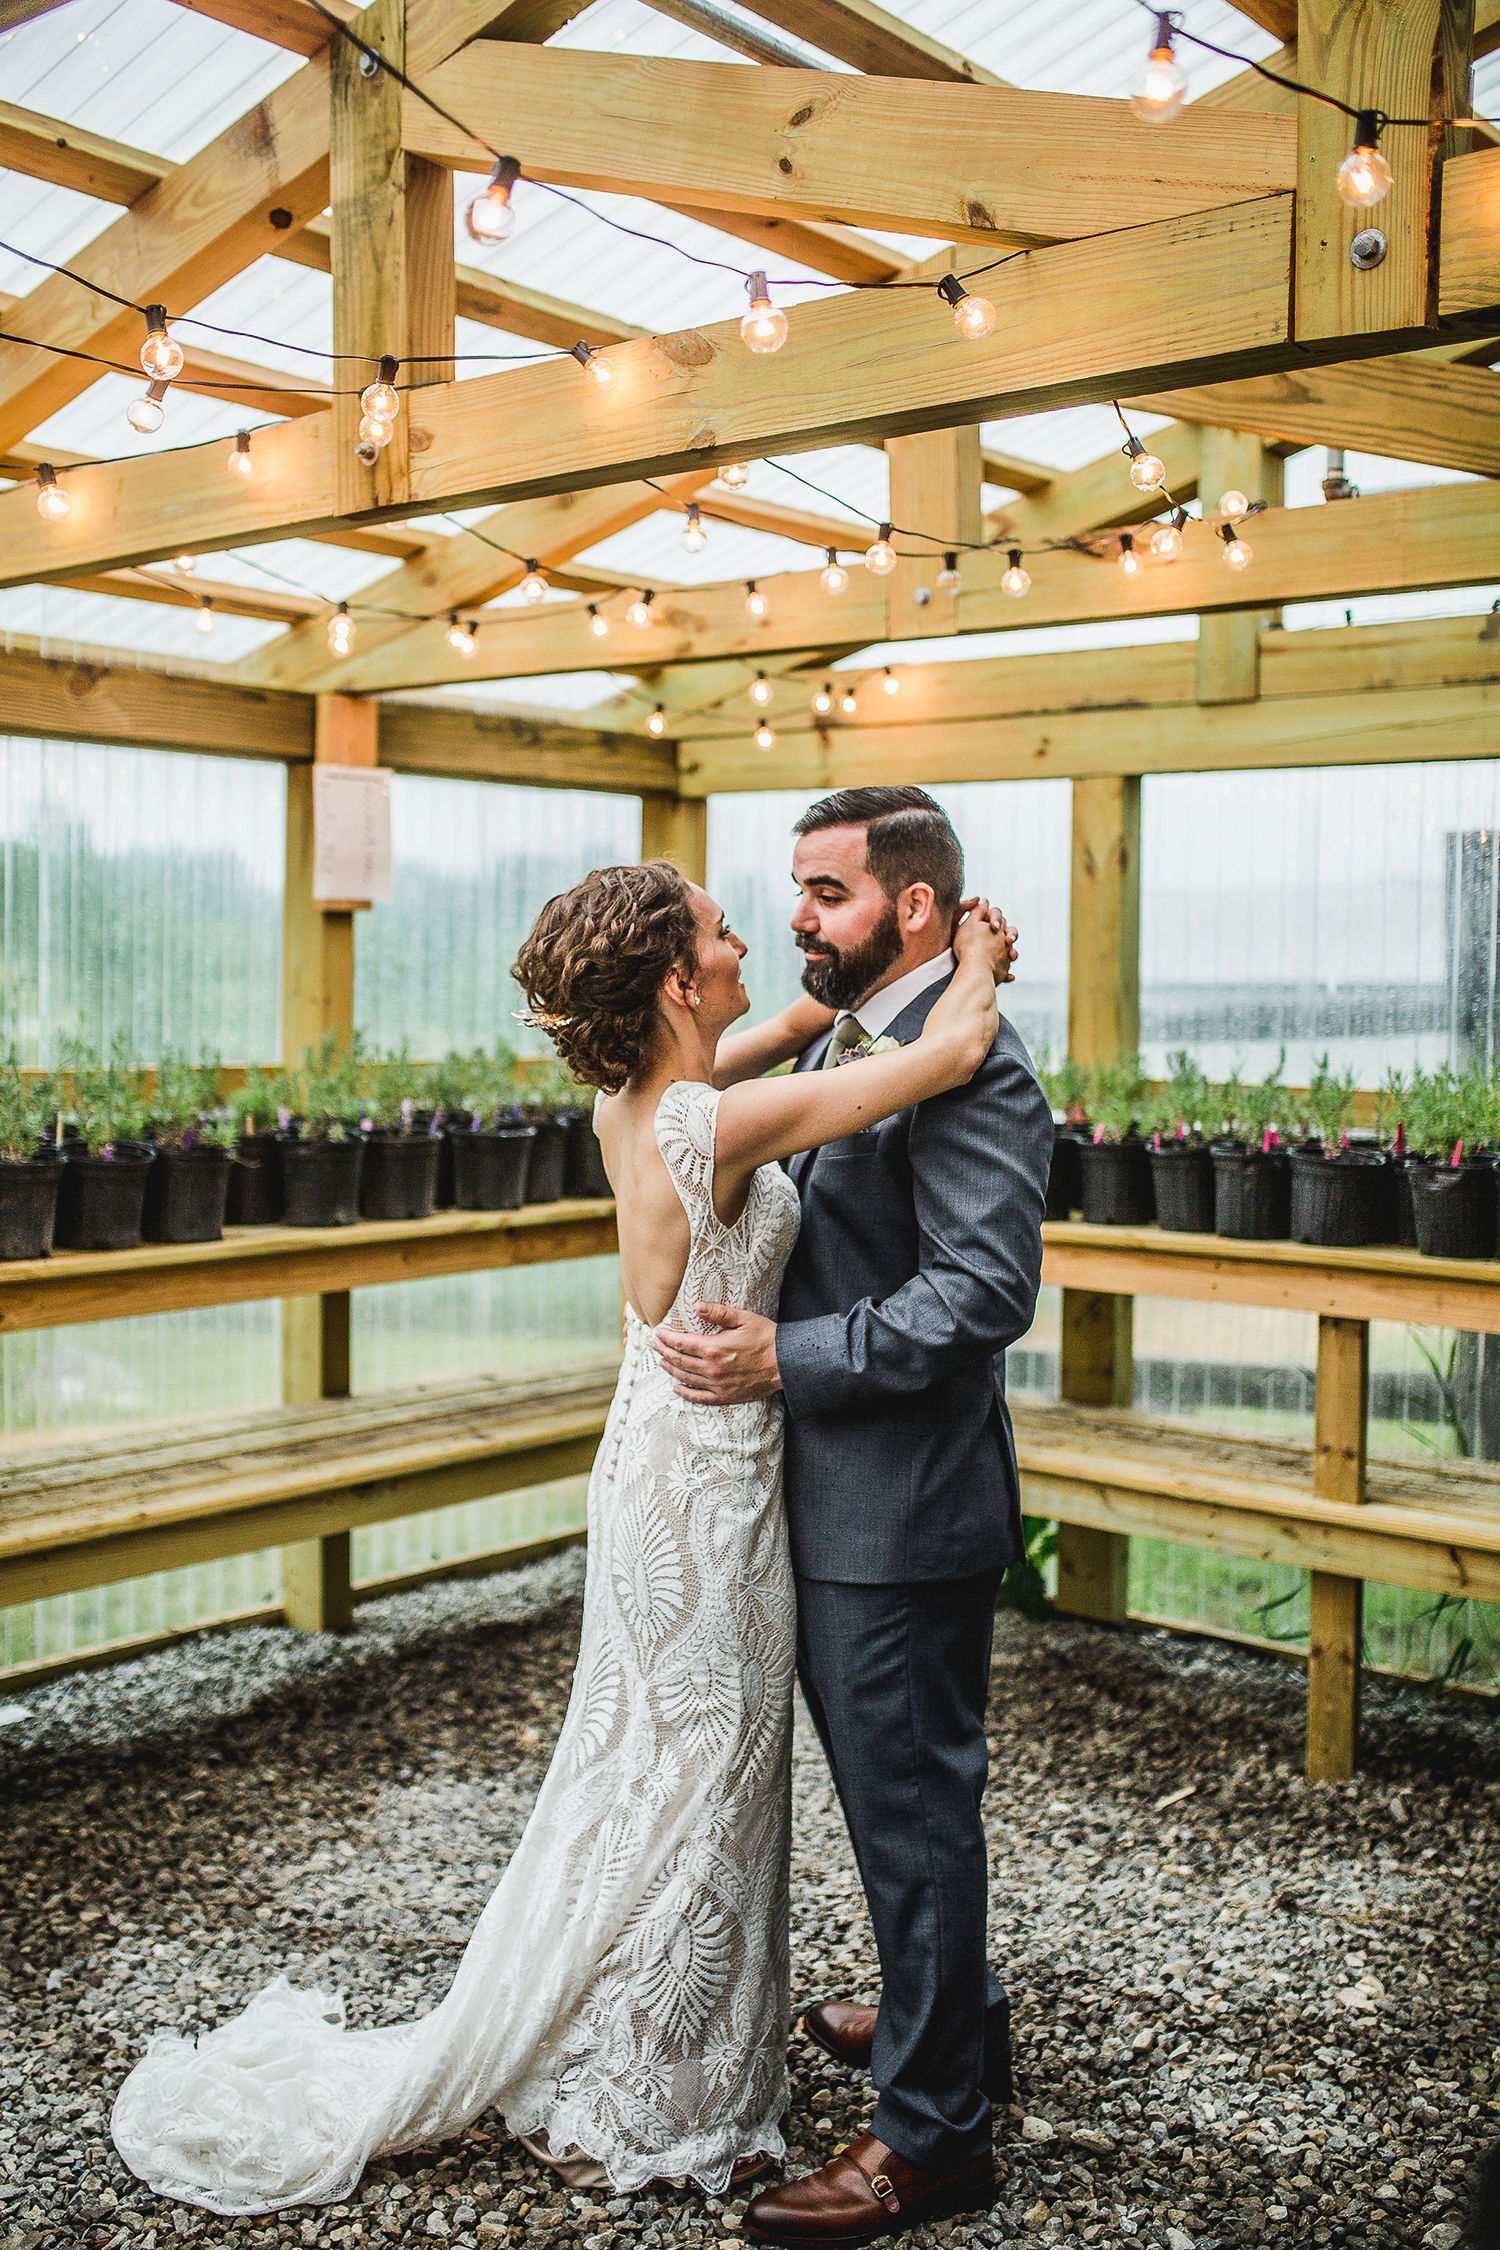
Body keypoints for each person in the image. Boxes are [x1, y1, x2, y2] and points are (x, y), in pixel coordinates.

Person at [109, 850, 1015, 2218]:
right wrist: (982, 964)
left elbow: (792, 1031)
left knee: (650, 1764)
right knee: (702, 1773)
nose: (745, 945)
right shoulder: (712, 1125)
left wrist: (855, 977)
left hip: (657, 1464)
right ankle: (662, 2077)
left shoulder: (636, 1098)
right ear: (670, 977)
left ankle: (649, 2037)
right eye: (721, 932)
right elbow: (937, 1065)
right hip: (706, 1492)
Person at [652, 787, 1053, 2249]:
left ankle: (933, 2136)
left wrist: (784, 1359)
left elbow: (981, 1292)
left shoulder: (974, 1066)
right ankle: (962, 2019)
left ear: (917, 907)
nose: (800, 918)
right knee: (903, 1808)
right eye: (797, 892)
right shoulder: (851, 1031)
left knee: (914, 1813)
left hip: (903, 1510)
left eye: (825, 892)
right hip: (833, 1503)